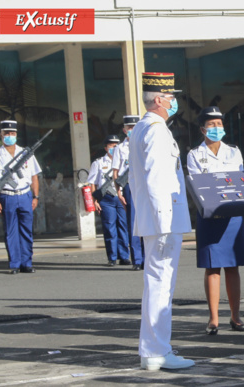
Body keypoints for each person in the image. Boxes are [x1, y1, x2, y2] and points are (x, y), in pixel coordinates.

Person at [130, 72, 194, 371]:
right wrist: (164, 224)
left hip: (158, 220)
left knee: (157, 284)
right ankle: (157, 351)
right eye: (170, 97)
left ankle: (153, 350)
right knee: (160, 285)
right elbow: (157, 180)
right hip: (162, 221)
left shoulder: (143, 128)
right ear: (158, 99)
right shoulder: (155, 130)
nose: (173, 102)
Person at [186, 106, 244, 335]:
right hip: (210, 216)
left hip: (232, 215)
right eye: (212, 125)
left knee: (233, 267)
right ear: (203, 129)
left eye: (220, 124)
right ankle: (213, 319)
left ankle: (236, 316)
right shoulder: (194, 155)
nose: (217, 128)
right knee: (212, 268)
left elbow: (241, 181)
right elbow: (198, 186)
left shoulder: (234, 152)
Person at [0, 120, 41, 275]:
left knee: (26, 230)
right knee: (11, 231)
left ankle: (27, 263)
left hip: (25, 195)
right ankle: (15, 264)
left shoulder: (25, 153)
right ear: (1, 135)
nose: (10, 136)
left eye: (12, 134)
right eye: (7, 134)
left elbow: (34, 176)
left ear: (16, 135)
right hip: (7, 196)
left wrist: (35, 196)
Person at [87, 134, 130, 267]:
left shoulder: (124, 162)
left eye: (116, 146)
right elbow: (92, 183)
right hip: (106, 199)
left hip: (121, 198)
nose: (114, 148)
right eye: (111, 146)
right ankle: (112, 257)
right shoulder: (98, 163)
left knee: (123, 227)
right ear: (106, 148)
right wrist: (95, 200)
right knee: (110, 228)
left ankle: (124, 256)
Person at [113, 115, 144, 270]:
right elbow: (116, 172)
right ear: (124, 129)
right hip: (128, 186)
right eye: (129, 128)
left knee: (147, 221)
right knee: (133, 223)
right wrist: (118, 191)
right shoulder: (120, 148)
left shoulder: (144, 143)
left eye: (134, 127)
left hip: (144, 185)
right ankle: (137, 260)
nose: (131, 130)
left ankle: (147, 258)